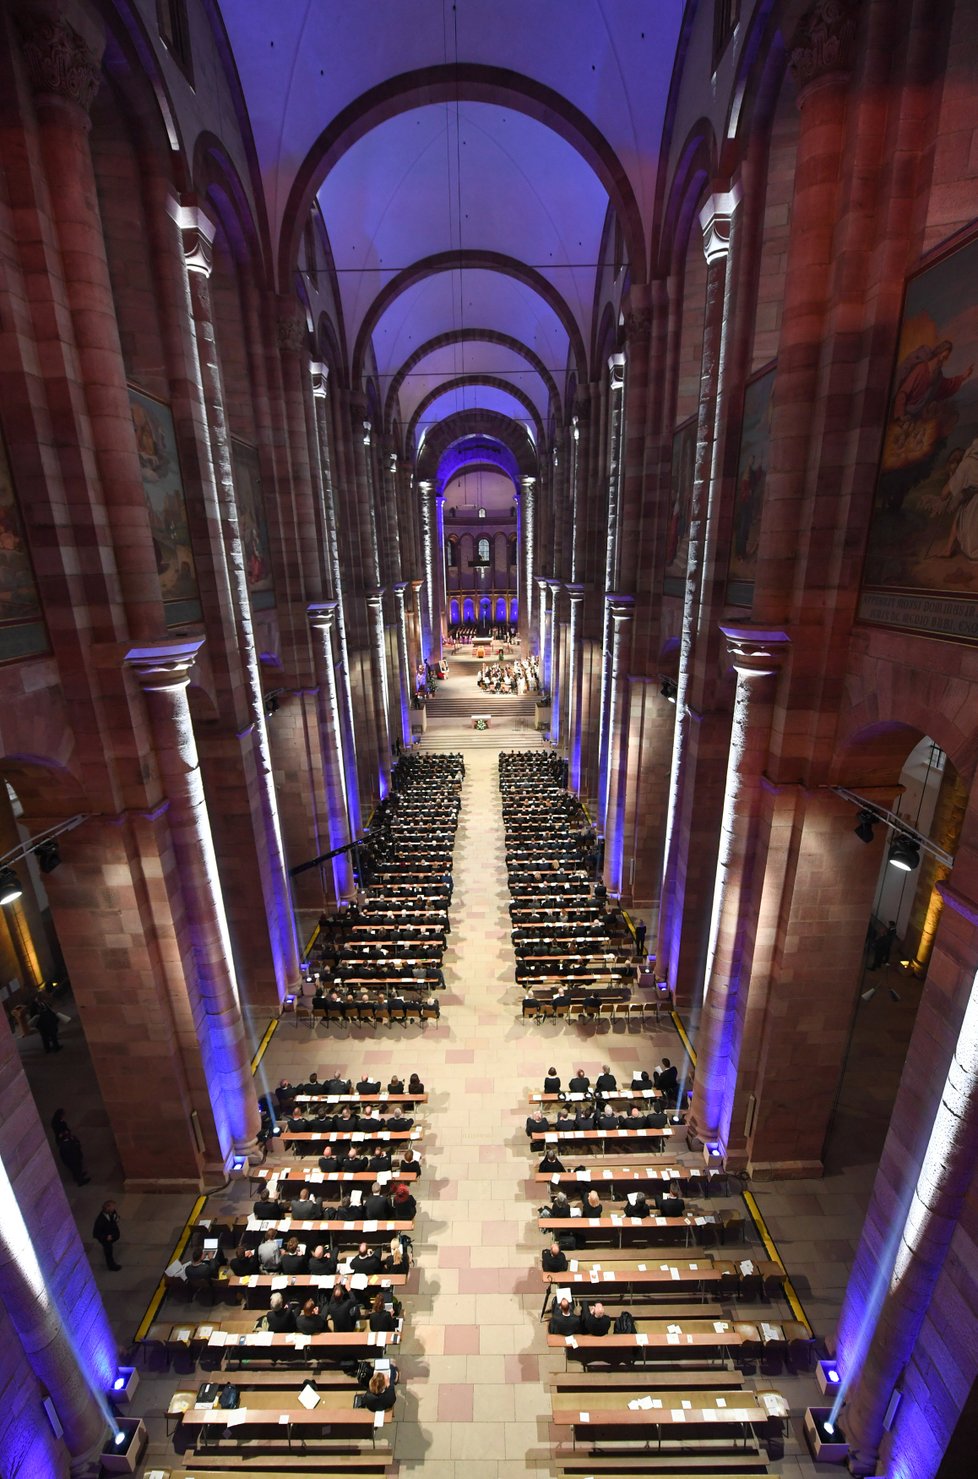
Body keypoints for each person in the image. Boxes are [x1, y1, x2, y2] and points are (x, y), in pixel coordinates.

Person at [93, 1200, 121, 1270]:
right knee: (108, 1251)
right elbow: (96, 1233)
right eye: (112, 1207)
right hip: (105, 1238)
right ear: (107, 1208)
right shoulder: (100, 1220)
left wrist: (117, 1219)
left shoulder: (112, 1212)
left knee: (109, 1247)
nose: (114, 1208)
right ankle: (111, 1266)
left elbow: (115, 1217)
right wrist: (106, 1237)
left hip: (111, 1234)